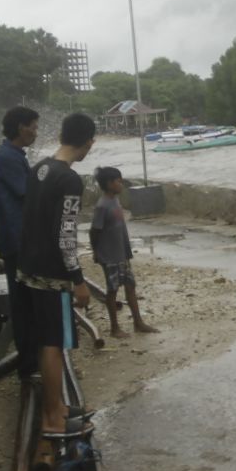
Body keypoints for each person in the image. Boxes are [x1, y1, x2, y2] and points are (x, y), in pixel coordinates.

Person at [17, 112, 96, 438]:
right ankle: (53, 419)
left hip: (29, 271)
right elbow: (65, 236)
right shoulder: (69, 180)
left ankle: (59, 407)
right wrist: (78, 280)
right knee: (53, 344)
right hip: (52, 277)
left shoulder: (40, 169)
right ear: (88, 142)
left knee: (44, 342)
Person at [0, 106, 39, 375]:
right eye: (33, 126)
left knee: (28, 302)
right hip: (18, 241)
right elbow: (26, 194)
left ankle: (32, 359)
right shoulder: (8, 157)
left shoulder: (12, 155)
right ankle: (30, 364)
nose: (35, 131)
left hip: (20, 239)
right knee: (24, 304)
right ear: (21, 127)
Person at [89, 166, 158, 337]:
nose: (121, 184)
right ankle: (114, 328)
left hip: (121, 253)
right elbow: (94, 231)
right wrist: (96, 252)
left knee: (130, 286)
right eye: (118, 181)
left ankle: (138, 322)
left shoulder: (115, 201)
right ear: (109, 183)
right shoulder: (102, 206)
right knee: (112, 290)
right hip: (110, 255)